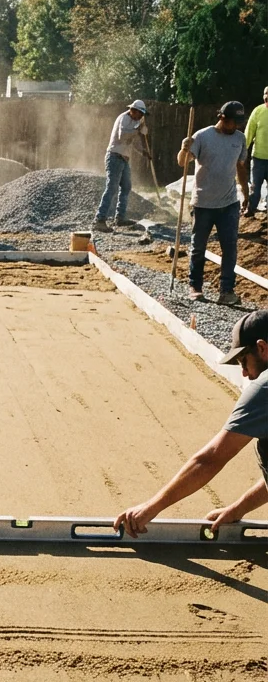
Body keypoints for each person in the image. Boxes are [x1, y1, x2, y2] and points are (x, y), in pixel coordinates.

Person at [115, 310, 268, 538]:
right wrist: (238, 509)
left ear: (263, 348)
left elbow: (210, 459)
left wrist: (150, 508)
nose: (244, 373)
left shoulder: (264, 387)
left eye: (243, 361)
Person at [178, 101, 249, 306]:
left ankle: (226, 291)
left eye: (238, 123)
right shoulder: (202, 136)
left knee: (230, 248)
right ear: (222, 118)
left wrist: (245, 192)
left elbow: (240, 166)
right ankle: (195, 286)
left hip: (229, 204)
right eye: (233, 122)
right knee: (198, 247)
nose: (235, 126)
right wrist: (184, 149)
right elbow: (183, 163)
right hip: (203, 204)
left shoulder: (239, 138)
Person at [92, 100, 149, 232]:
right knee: (112, 187)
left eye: (142, 115)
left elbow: (134, 142)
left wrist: (143, 152)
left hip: (123, 159)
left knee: (126, 187)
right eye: (140, 114)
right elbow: (122, 135)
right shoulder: (124, 118)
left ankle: (120, 218)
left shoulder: (135, 122)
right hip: (114, 156)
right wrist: (139, 130)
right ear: (133, 111)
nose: (141, 117)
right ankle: (99, 220)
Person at [244, 87, 268, 218]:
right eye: (265, 94)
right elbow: (249, 132)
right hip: (258, 157)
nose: (267, 96)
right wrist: (242, 150)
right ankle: (251, 208)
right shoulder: (258, 111)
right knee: (255, 186)